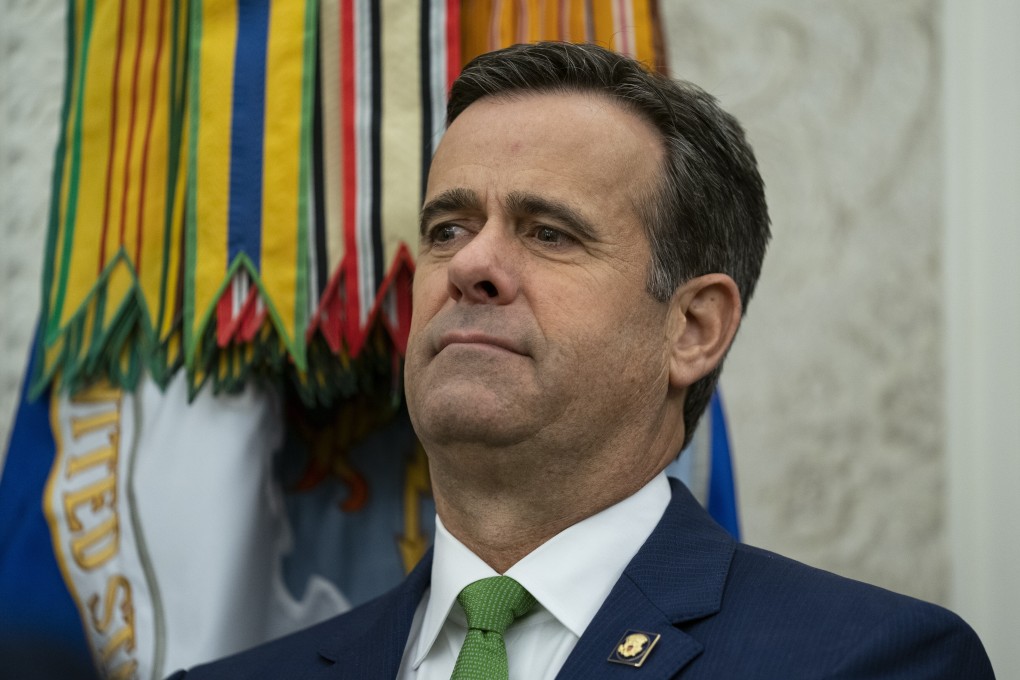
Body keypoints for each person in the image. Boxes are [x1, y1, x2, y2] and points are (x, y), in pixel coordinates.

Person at [169, 41, 993, 679]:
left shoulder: (870, 661)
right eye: (447, 229)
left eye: (548, 232)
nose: (469, 266)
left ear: (694, 328)